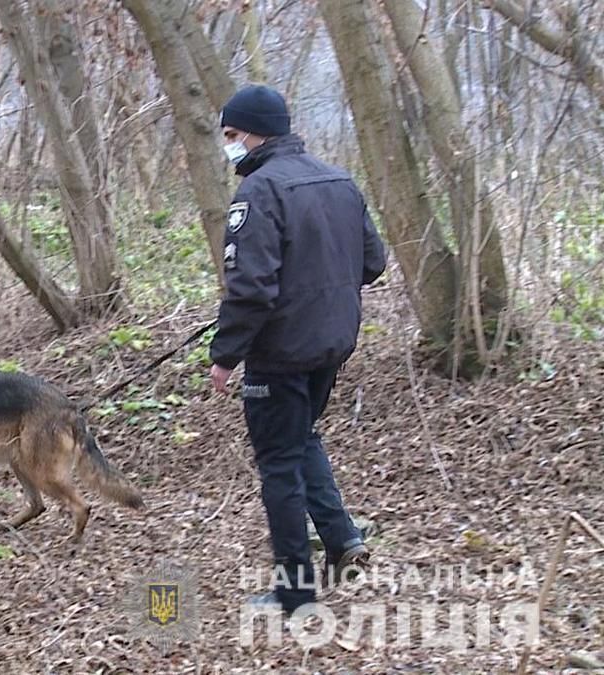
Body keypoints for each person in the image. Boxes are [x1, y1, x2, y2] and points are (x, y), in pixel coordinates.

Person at [207, 84, 387, 613]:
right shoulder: (339, 180)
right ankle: (341, 538)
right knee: (299, 437)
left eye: (232, 134)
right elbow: (372, 263)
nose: (229, 145)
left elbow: (251, 289)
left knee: (279, 467)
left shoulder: (259, 192)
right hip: (333, 342)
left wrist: (224, 355)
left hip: (282, 351)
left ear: (257, 131)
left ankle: (294, 593)